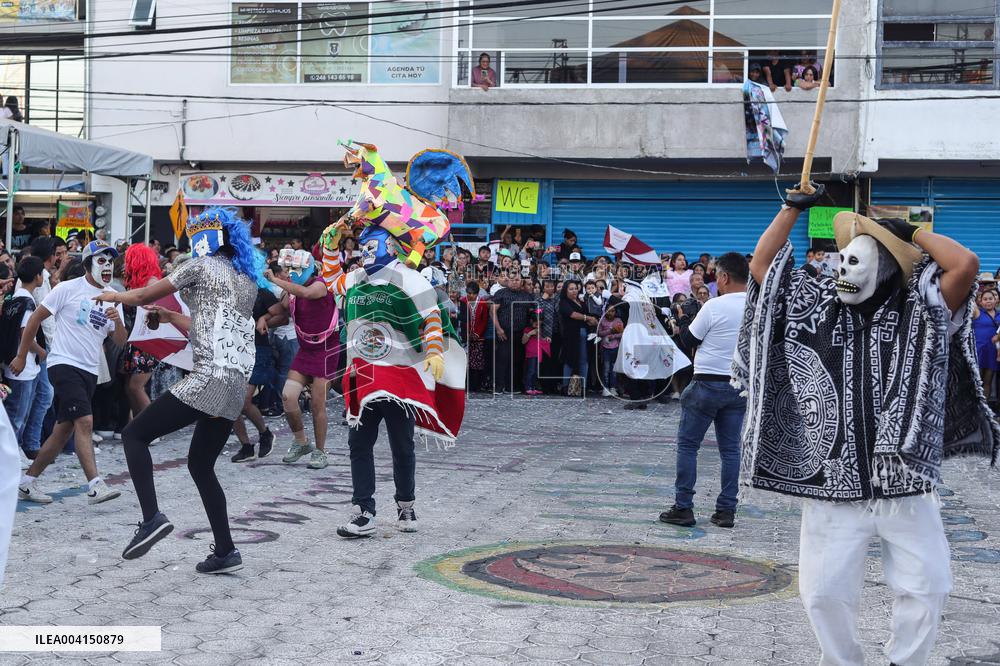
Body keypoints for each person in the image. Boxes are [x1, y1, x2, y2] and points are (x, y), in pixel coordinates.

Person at [734, 186, 998, 666]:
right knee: (822, 594)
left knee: (929, 586)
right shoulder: (815, 306)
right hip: (832, 483)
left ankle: (906, 662)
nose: (841, 270)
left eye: (854, 262)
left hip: (906, 485)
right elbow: (761, 268)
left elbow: (965, 266)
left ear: (886, 269)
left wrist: (911, 233)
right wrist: (792, 208)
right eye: (840, 261)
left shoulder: (922, 308)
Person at [98, 207, 263, 573]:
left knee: (134, 435)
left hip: (207, 379)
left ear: (205, 239)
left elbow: (141, 297)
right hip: (234, 384)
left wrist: (113, 297)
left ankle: (151, 518)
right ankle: (225, 551)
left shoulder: (199, 266)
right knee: (201, 465)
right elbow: (212, 328)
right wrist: (172, 317)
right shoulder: (245, 280)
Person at [321, 217, 466, 538]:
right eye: (362, 246)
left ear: (390, 247)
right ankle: (363, 511)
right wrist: (331, 242)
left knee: (402, 445)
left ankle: (406, 505)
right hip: (363, 377)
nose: (365, 251)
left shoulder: (411, 279)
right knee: (358, 444)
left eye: (371, 245)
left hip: (400, 378)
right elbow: (331, 279)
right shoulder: (357, 277)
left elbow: (431, 316)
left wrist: (433, 351)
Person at [10, 241, 125, 505]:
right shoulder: (67, 289)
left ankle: (27, 483)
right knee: (85, 422)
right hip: (63, 363)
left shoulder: (111, 297)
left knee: (63, 431)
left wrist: (117, 320)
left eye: (110, 262)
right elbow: (35, 319)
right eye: (101, 261)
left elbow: (120, 340)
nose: (107, 267)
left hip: (89, 370)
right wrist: (20, 354)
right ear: (87, 264)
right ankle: (95, 485)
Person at [659, 252, 749, 529]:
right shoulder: (757, 308)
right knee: (731, 450)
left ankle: (683, 507)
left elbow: (688, 340)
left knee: (688, 445)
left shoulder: (714, 306)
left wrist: (684, 319)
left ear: (723, 277)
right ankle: (726, 511)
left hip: (707, 382)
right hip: (739, 385)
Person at [266, 249, 338, 470]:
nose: (293, 273)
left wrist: (276, 280)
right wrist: (262, 316)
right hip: (305, 351)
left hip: (327, 351)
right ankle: (301, 442)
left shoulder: (320, 284)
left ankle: (320, 451)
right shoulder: (292, 292)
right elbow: (283, 308)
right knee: (288, 396)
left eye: (297, 269)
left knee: (317, 404)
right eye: (291, 269)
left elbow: (305, 294)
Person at [229, 284, 277, 463]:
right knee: (232, 402)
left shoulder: (261, 292)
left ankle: (265, 434)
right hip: (233, 349)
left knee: (243, 400)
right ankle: (246, 446)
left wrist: (264, 318)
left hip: (257, 350)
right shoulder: (227, 290)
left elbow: (282, 315)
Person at [3, 257, 46, 455]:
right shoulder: (27, 303)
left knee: (16, 414)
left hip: (12, 366)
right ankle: (8, 456)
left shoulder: (13, 300)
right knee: (17, 416)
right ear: (37, 277)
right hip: (23, 368)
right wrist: (41, 352)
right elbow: (25, 333)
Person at [121, 244, 162, 421]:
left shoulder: (153, 282)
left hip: (149, 341)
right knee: (130, 387)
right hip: (137, 342)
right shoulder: (137, 282)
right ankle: (138, 426)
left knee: (135, 387)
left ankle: (151, 427)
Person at [491, 270, 532, 394]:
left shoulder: (527, 296)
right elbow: (492, 312)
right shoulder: (500, 293)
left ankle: (512, 386)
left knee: (517, 360)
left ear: (521, 282)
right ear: (508, 280)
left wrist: (528, 332)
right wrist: (498, 329)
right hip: (504, 331)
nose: (515, 282)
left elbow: (532, 315)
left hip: (520, 332)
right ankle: (499, 386)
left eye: (518, 280)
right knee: (502, 359)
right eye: (512, 279)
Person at [558, 279, 592, 395]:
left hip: (583, 333)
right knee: (569, 360)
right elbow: (572, 314)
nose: (574, 291)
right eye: (571, 289)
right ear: (566, 290)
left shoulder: (581, 302)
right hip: (571, 335)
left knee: (584, 360)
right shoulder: (563, 302)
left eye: (575, 288)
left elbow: (587, 314)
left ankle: (583, 387)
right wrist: (587, 318)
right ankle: (566, 387)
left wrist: (592, 320)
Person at [973, 288, 1000, 404]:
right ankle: (975, 407)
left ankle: (985, 407)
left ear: (996, 301)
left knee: (988, 380)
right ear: (980, 302)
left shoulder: (999, 314)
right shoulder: (977, 312)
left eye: (990, 299)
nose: (988, 301)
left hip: (993, 352)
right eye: (985, 299)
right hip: (979, 351)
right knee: (976, 380)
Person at [597, 306, 623, 397]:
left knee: (614, 369)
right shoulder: (602, 321)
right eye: (608, 311)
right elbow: (599, 333)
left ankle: (613, 387)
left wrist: (613, 336)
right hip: (605, 348)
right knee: (606, 368)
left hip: (615, 347)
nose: (610, 313)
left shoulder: (618, 320)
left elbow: (621, 333)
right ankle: (605, 387)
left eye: (612, 311)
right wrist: (610, 331)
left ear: (615, 312)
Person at [521, 309, 546, 395]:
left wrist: (545, 339)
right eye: (536, 324)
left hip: (538, 353)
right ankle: (528, 387)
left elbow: (541, 340)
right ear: (531, 321)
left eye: (540, 323)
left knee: (536, 372)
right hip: (531, 354)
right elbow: (523, 341)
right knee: (530, 371)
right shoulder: (527, 329)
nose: (538, 325)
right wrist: (529, 334)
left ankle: (533, 387)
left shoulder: (540, 330)